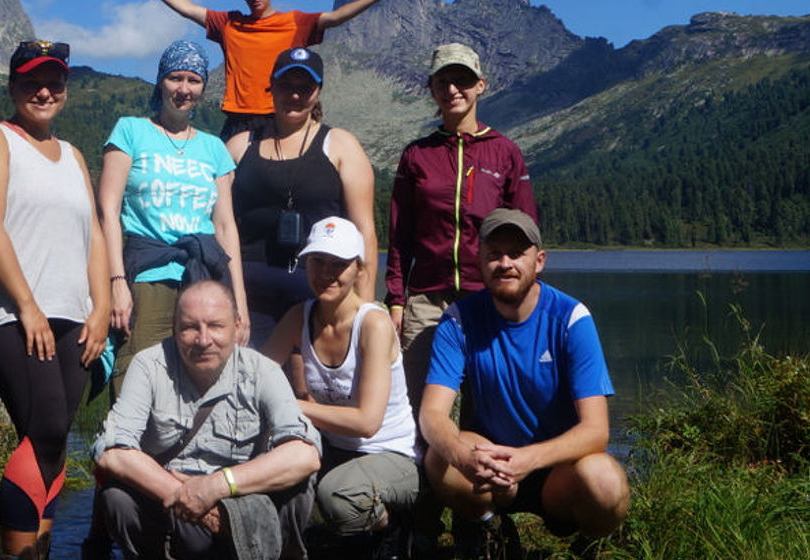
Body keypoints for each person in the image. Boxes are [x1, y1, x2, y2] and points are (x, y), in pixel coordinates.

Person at [0, 39, 111, 560]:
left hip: (73, 317)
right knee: (47, 428)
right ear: (12, 87)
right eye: (31, 81)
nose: (43, 91)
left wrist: (99, 310)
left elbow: (93, 233)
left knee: (50, 440)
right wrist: (27, 306)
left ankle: (39, 550)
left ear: (66, 91)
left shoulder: (72, 155)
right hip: (9, 312)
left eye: (54, 82)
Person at [420, 209, 629, 560]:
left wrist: (528, 459)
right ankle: (489, 527)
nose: (505, 263)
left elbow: (596, 431)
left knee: (605, 482)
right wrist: (462, 456)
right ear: (479, 260)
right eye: (494, 254)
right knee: (438, 458)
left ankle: (590, 543)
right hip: (493, 469)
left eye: (516, 253)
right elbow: (432, 415)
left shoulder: (571, 318)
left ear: (540, 261)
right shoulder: (459, 321)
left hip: (559, 472)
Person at [92, 280, 321, 560]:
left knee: (299, 483)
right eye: (190, 327)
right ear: (174, 328)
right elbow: (112, 453)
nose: (203, 340)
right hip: (171, 504)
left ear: (237, 327)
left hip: (242, 499)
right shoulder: (148, 366)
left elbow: (305, 455)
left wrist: (216, 486)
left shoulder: (263, 371)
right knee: (117, 498)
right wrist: (186, 495)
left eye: (215, 326)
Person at [386, 42, 538, 411]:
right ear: (431, 89)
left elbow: (527, 232)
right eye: (443, 82)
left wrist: (527, 295)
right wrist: (395, 299)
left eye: (463, 80)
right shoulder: (416, 155)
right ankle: (421, 469)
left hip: (487, 296)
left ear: (481, 85)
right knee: (417, 403)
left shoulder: (505, 152)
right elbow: (400, 236)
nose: (453, 89)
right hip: (426, 300)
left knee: (488, 403)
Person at [100, 39, 249, 396]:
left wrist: (239, 305)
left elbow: (226, 227)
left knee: (204, 388)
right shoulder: (130, 131)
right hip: (147, 277)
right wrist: (116, 281)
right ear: (160, 82)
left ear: (203, 87)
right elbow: (107, 209)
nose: (183, 89)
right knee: (137, 383)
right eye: (175, 78)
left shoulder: (214, 148)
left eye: (193, 80)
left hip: (205, 282)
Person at [264, 217, 418, 559]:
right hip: (335, 450)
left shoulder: (373, 324)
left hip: (390, 454)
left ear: (359, 268)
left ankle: (391, 527)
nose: (326, 273)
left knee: (336, 497)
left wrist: (292, 407)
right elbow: (257, 376)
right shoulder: (299, 316)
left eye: (340, 264)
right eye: (317, 262)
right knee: (270, 469)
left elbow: (367, 423)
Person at [120, 0, 404, 139]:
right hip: (238, 119)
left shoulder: (294, 22)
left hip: (278, 117)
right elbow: (188, 9)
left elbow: (335, 18)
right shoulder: (228, 23)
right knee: (228, 189)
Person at [227, 47, 377, 346]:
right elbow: (219, 223)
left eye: (305, 88)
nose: (294, 96)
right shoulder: (240, 146)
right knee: (247, 385)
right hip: (248, 298)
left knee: (306, 390)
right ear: (272, 86)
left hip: (320, 294)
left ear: (318, 91)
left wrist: (364, 309)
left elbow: (365, 232)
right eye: (286, 86)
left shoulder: (341, 146)